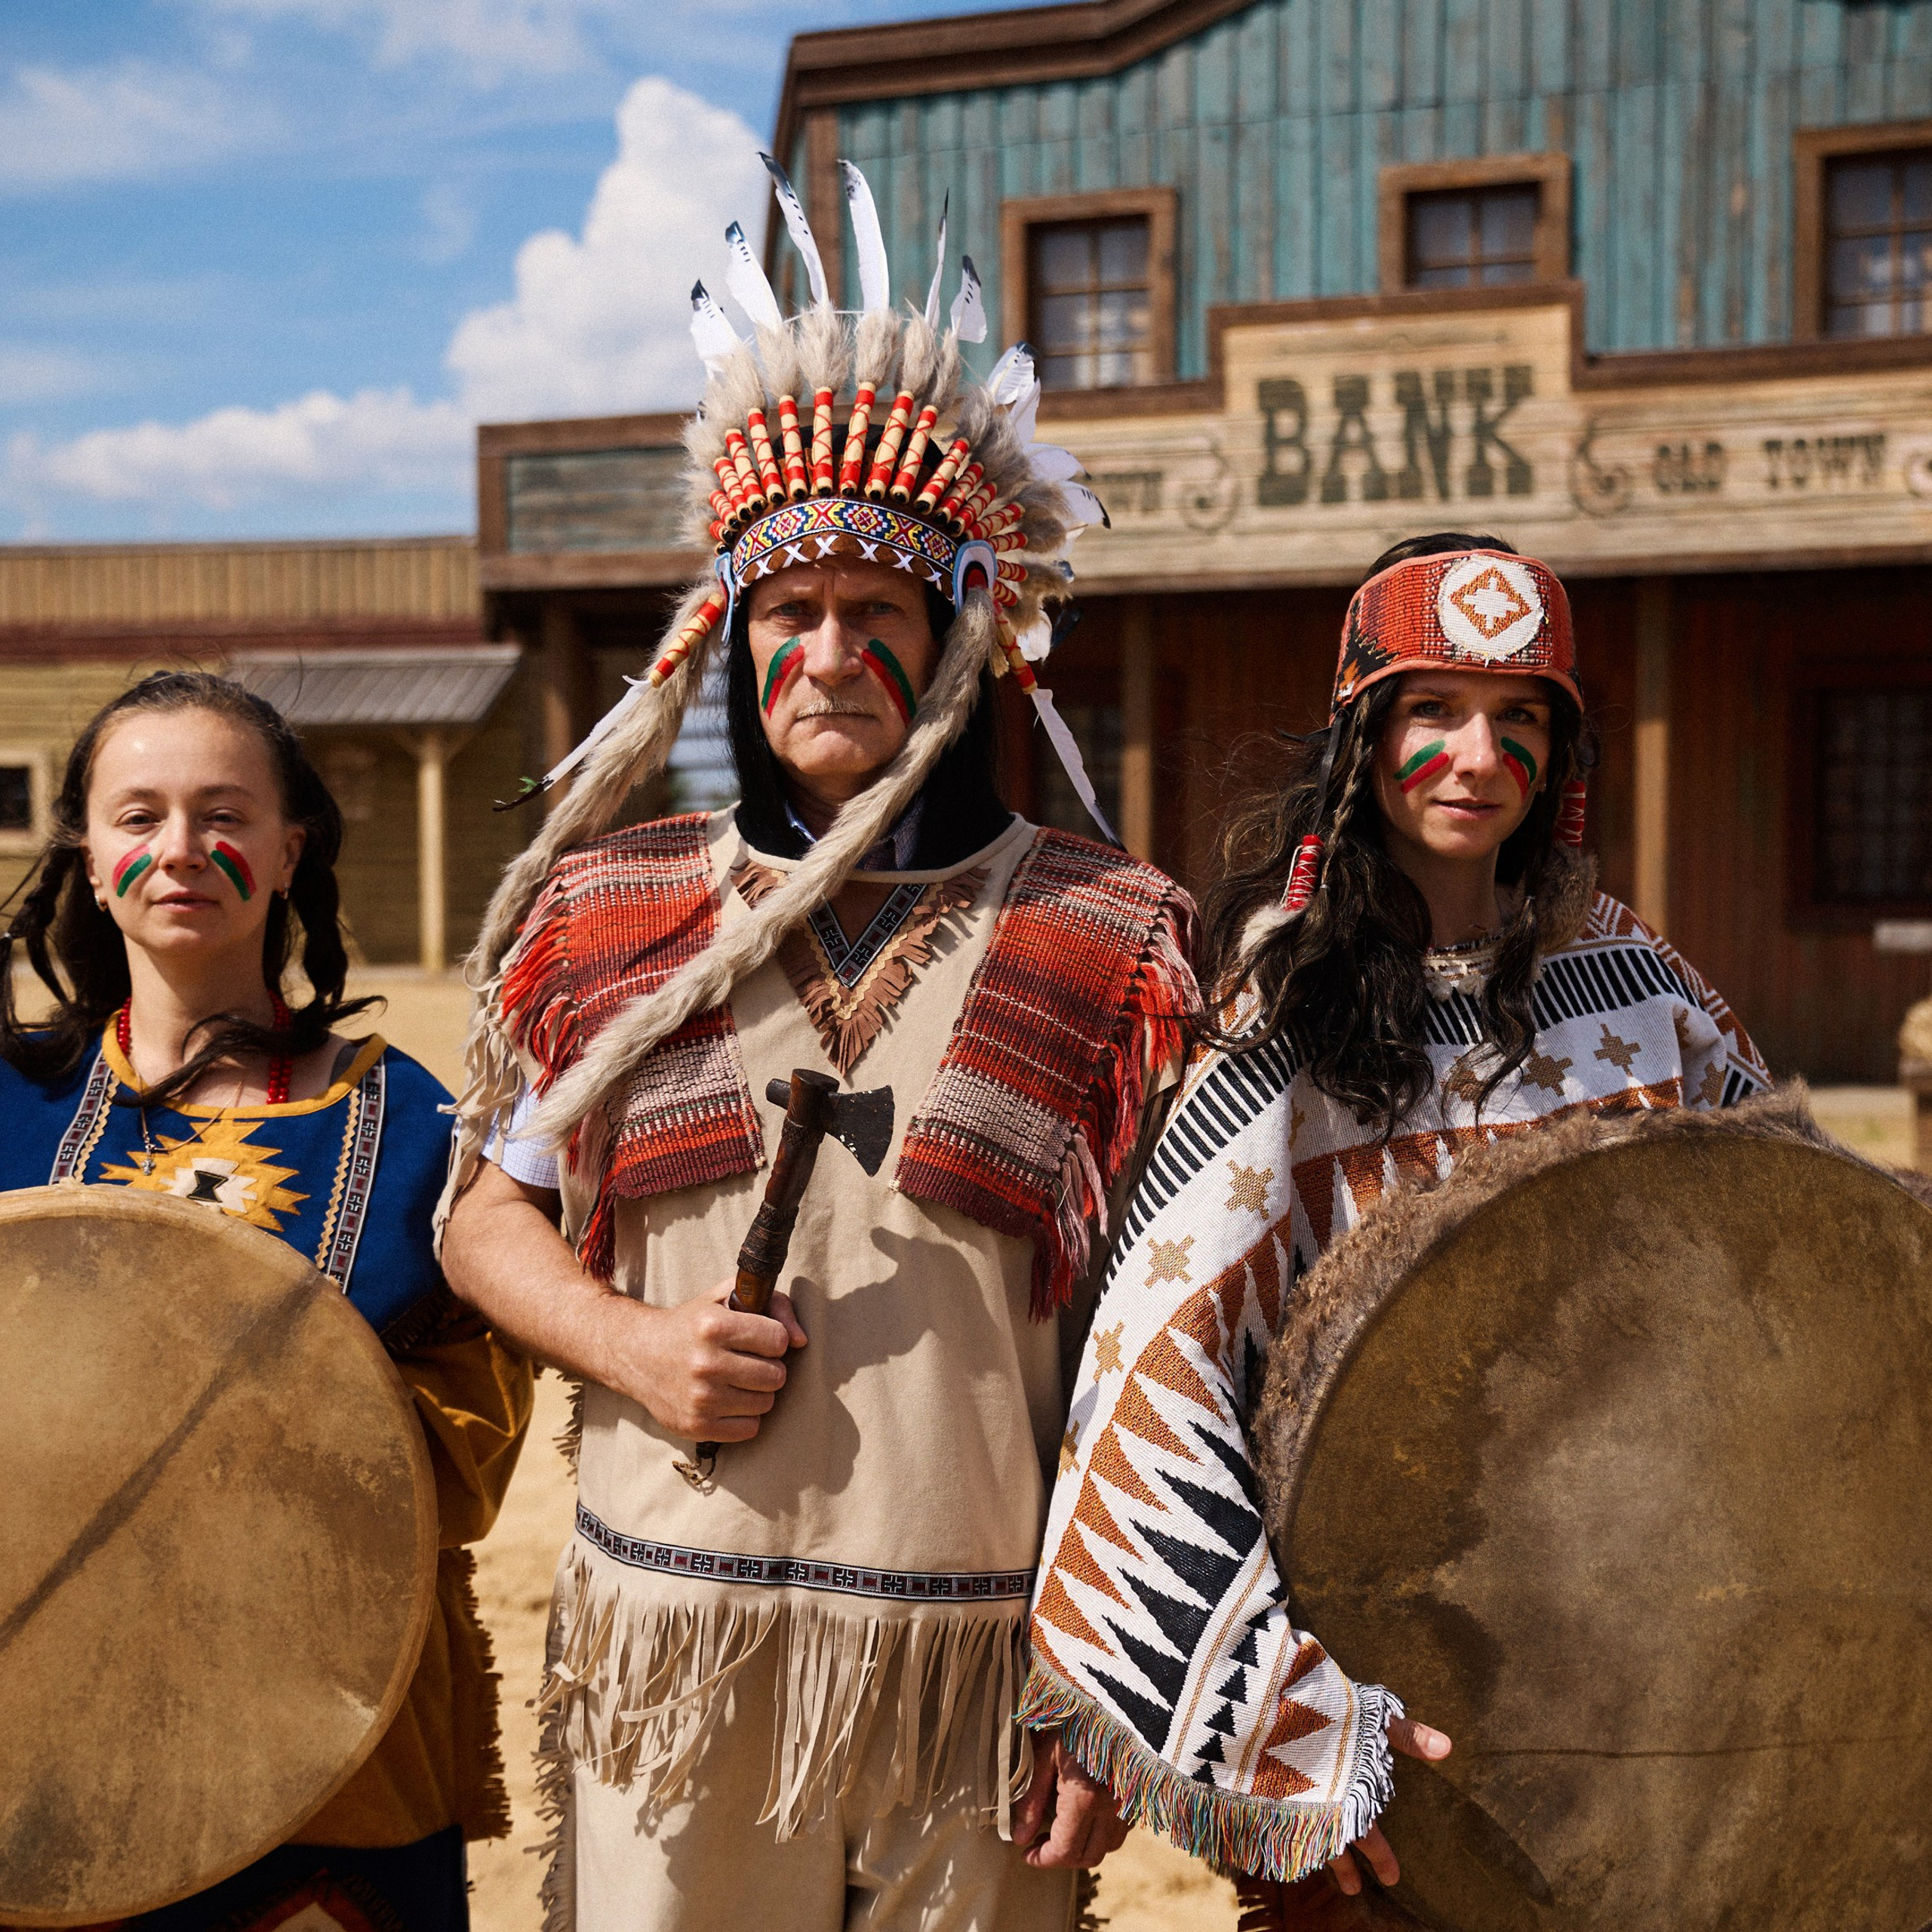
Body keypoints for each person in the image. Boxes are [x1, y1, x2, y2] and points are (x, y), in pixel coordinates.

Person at [438, 163, 1195, 1932]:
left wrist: (1105, 1667)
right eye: (790, 614)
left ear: (956, 645)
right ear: (735, 642)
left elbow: (1156, 1338)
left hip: (974, 1663)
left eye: (878, 613)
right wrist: (627, 1340)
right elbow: (483, 1212)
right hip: (680, 1643)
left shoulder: (1107, 936)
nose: (828, 653)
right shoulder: (606, 906)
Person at [1018, 535, 1770, 1927]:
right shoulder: (1280, 1006)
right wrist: (1284, 1725)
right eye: (1434, 711)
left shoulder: (1645, 990)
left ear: (1562, 754)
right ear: (1364, 734)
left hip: (1659, 1666)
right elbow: (1158, 1367)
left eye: (1520, 717)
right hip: (1386, 1690)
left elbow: (1800, 1271)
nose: (1477, 756)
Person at [0, 671, 533, 1932]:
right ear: (87, 847)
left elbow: (467, 1455)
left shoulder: (422, 1134)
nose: (180, 849)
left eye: (223, 814)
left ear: (291, 849)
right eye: (139, 816)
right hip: (37, 1752)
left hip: (329, 1777)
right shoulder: (10, 1104)